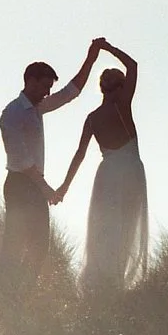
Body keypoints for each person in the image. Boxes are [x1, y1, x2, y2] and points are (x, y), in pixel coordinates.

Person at [0, 39, 104, 306]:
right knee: (14, 244)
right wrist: (47, 189)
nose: (47, 92)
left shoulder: (37, 108)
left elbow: (71, 92)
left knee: (40, 246)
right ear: (30, 81)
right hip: (20, 185)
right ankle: (3, 300)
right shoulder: (12, 114)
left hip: (34, 186)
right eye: (44, 86)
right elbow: (21, 160)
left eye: (49, 88)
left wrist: (91, 58)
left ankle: (20, 297)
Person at [52, 39, 148, 294]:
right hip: (128, 171)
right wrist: (108, 49)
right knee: (124, 228)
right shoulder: (122, 105)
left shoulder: (92, 119)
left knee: (104, 228)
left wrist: (64, 186)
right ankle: (113, 285)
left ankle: (102, 283)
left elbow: (79, 155)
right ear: (117, 88)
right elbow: (133, 65)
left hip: (106, 175)